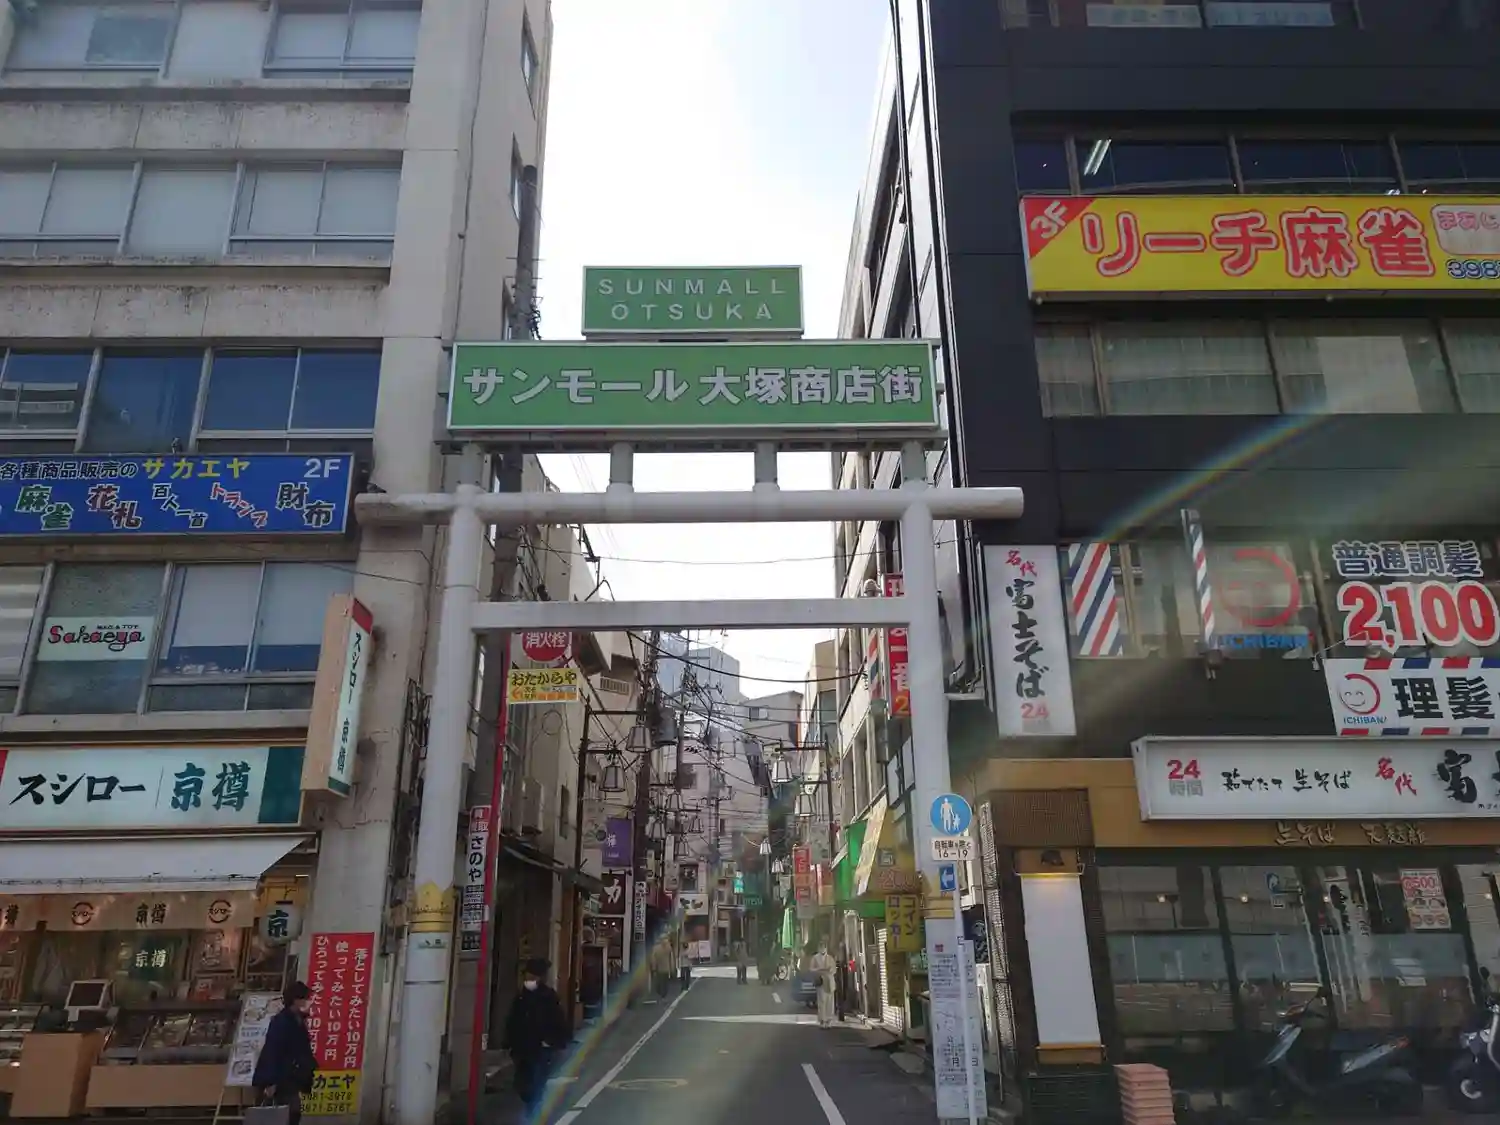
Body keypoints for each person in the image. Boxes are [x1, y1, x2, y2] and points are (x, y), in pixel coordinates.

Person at [504, 958, 569, 1121]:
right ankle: (533, 1110)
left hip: (540, 1049)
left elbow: (558, 1020)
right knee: (523, 1085)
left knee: (536, 1084)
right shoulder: (521, 997)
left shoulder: (548, 997)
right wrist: (509, 1043)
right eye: (527, 976)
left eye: (532, 976)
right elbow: (513, 1020)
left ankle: (535, 1116)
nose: (529, 979)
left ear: (540, 978)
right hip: (522, 1048)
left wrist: (552, 1041)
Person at [253, 981, 316, 1125]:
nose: (309, 1002)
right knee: (285, 1114)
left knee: (292, 1114)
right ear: (296, 1000)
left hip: (290, 1077)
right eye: (305, 998)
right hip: (280, 1078)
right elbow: (272, 1051)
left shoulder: (297, 1020)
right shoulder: (282, 1022)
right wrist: (270, 1082)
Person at [810, 945, 837, 1027]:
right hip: (821, 981)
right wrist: (819, 970)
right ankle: (822, 1020)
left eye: (824, 947)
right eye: (821, 947)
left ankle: (829, 1020)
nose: (822, 949)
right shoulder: (815, 958)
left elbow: (834, 970)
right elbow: (811, 969)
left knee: (830, 1001)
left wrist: (829, 970)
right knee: (822, 1001)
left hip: (829, 982)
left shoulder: (830, 958)